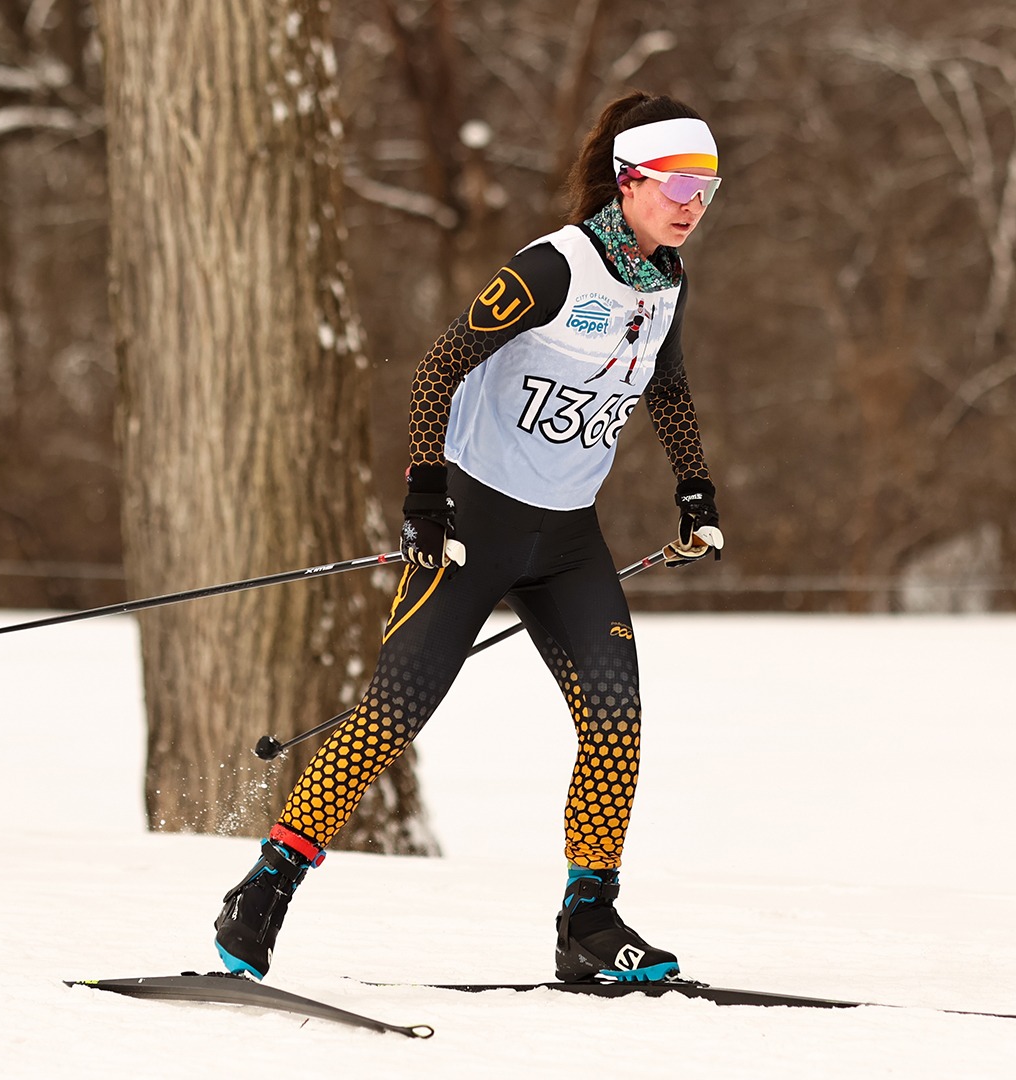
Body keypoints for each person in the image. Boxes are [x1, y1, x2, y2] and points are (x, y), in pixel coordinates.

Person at [213, 90, 726, 985]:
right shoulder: (554, 268)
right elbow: (437, 368)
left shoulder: (668, 284)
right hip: (473, 528)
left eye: (708, 187)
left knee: (616, 724)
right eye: (678, 183)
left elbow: (669, 392)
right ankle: (265, 886)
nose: (693, 203)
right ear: (629, 179)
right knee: (389, 720)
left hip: (567, 541)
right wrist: (426, 497)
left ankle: (589, 922)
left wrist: (694, 487)